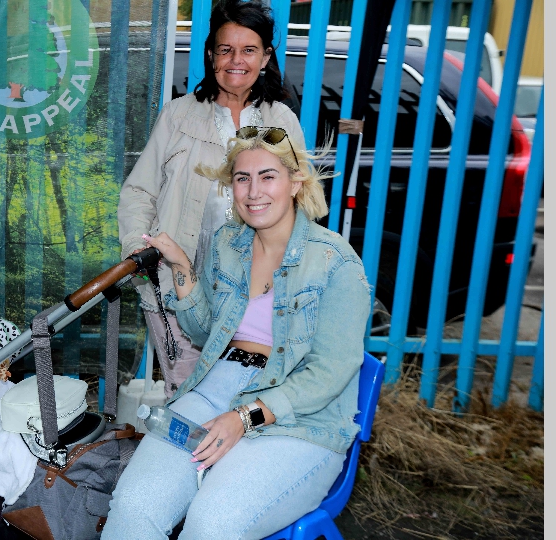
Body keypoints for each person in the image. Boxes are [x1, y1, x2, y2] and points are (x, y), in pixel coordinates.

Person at [102, 126, 371, 539]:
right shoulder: (229, 242)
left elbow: (330, 372)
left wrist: (246, 417)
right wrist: (181, 267)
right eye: (243, 178)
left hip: (298, 416)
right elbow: (204, 333)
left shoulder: (336, 262)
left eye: (268, 176)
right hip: (214, 389)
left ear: (296, 182)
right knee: (134, 507)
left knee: (213, 525)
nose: (253, 191)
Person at [118, 0, 302, 398]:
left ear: (265, 57)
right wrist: (136, 248)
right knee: (188, 399)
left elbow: (300, 200)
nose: (236, 60)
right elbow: (139, 191)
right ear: (210, 55)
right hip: (178, 287)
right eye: (226, 49)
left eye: (249, 50)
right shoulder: (177, 116)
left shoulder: (282, 121)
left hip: (256, 296)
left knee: (243, 401)